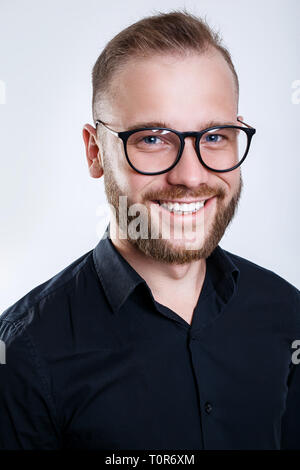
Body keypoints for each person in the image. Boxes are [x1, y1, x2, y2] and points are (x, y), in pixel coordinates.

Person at [0, 10, 299, 451]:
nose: (191, 176)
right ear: (94, 151)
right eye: (153, 139)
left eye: (215, 136)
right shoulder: (24, 355)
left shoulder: (287, 314)